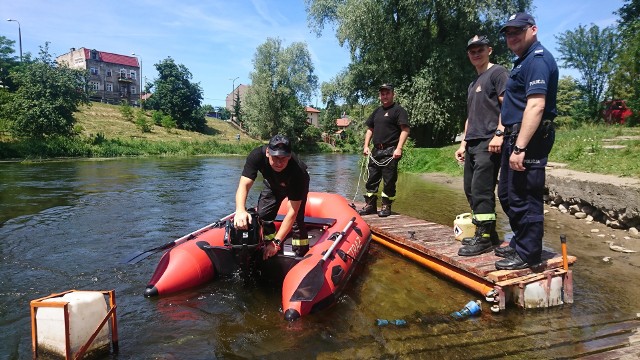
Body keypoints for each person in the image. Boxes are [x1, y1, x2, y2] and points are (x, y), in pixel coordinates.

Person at [494, 13, 558, 270]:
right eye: (508, 33)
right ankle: (520, 242)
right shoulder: (523, 61)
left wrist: (520, 147)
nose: (512, 37)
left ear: (533, 29)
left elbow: (536, 106)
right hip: (515, 134)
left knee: (526, 196)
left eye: (517, 31)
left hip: (529, 138)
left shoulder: (538, 60)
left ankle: (529, 254)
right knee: (508, 194)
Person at [455, 35, 509, 256]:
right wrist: (463, 143)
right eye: (472, 51)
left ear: (489, 50)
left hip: (490, 141)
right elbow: (471, 117)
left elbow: (508, 106)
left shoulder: (498, 73)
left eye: (480, 50)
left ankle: (483, 238)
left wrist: (500, 133)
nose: (476, 54)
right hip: (473, 143)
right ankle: (489, 234)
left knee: (481, 190)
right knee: (470, 189)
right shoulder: (473, 83)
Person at [233, 134, 310, 259]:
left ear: (289, 156)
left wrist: (277, 242)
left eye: (283, 158)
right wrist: (240, 210)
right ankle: (269, 249)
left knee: (297, 220)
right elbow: (244, 185)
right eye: (275, 157)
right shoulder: (256, 156)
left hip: (294, 184)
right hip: (272, 184)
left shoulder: (298, 171)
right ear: (268, 152)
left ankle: (300, 254)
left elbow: (292, 211)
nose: (279, 163)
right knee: (263, 215)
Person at [357, 83, 410, 217]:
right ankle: (370, 206)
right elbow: (370, 129)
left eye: (387, 93)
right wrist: (366, 146)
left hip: (391, 151)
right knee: (371, 179)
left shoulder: (399, 111)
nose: (384, 96)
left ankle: (386, 206)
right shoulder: (376, 111)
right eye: (382, 93)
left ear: (393, 94)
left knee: (389, 181)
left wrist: (399, 148)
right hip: (376, 151)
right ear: (379, 96)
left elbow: (405, 129)